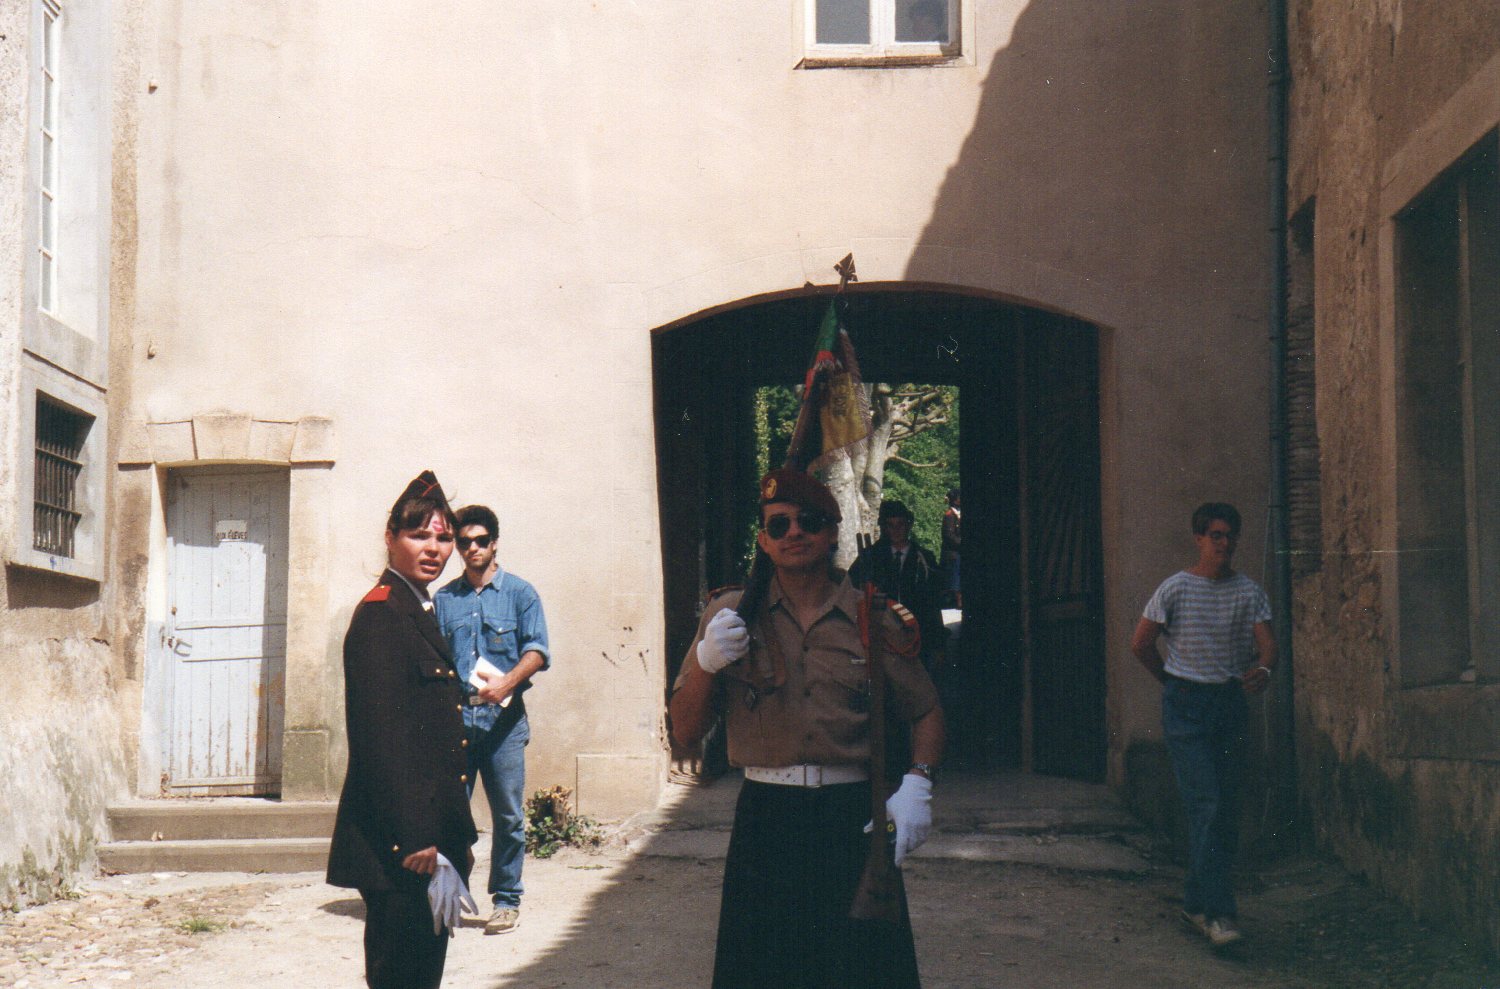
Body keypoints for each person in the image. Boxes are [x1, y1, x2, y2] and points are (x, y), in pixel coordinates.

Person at [669, 468, 945, 989]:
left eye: (810, 521)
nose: (794, 532)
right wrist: (706, 663)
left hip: (851, 816)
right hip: (767, 818)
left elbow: (926, 709)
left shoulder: (872, 616)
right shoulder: (731, 615)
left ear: (833, 532)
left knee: (861, 972)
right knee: (764, 971)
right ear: (763, 541)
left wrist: (919, 784)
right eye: (779, 525)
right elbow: (685, 728)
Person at [327, 471, 478, 989]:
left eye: (444, 538)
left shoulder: (416, 607)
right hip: (404, 845)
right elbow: (381, 739)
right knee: (401, 975)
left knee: (420, 973)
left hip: (430, 834)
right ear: (390, 537)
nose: (434, 549)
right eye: (418, 535)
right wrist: (415, 836)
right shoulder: (382, 614)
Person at [1130, 502, 1275, 950]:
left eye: (1230, 535)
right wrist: (1171, 681)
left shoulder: (1248, 592)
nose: (1224, 544)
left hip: (1228, 706)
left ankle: (1195, 902)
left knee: (1224, 810)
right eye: (1216, 535)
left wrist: (1263, 669)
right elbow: (1141, 643)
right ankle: (1220, 914)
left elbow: (1268, 646)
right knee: (1207, 805)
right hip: (1187, 708)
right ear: (1199, 539)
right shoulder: (1176, 588)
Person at [434, 504, 550, 936]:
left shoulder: (521, 594)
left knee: (508, 817)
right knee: (450, 815)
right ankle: (451, 894)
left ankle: (506, 900)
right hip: (457, 722)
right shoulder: (445, 600)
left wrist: (507, 684)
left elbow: (537, 651)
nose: (472, 549)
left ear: (494, 543)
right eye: (464, 542)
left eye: (481, 541)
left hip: (504, 724)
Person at [850, 499, 947, 673]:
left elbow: (934, 604)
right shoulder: (870, 557)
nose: (896, 530)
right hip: (881, 636)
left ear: (908, 525)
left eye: (900, 524)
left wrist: (938, 645)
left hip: (918, 635)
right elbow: (852, 591)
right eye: (890, 525)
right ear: (884, 527)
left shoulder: (925, 559)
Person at [940, 488, 961, 609]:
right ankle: (957, 600)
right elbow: (949, 536)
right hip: (953, 553)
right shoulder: (949, 515)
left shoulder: (958, 513)